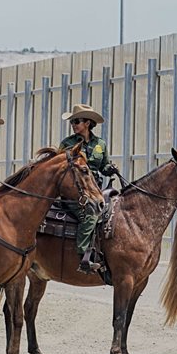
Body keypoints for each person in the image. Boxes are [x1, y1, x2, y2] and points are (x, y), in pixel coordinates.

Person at [57, 103, 119, 273]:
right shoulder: (67, 143)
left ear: (87, 123)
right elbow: (59, 167)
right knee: (91, 215)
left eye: (76, 121)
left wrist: (110, 169)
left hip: (95, 190)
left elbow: (104, 167)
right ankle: (83, 254)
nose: (73, 125)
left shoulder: (100, 144)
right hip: (74, 192)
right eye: (73, 122)